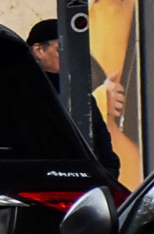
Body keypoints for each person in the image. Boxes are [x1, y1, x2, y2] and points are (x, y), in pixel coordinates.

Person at [28, 19, 119, 170]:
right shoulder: (26, 91)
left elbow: (103, 146)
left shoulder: (79, 92)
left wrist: (107, 176)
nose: (69, 57)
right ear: (39, 51)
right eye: (61, 50)